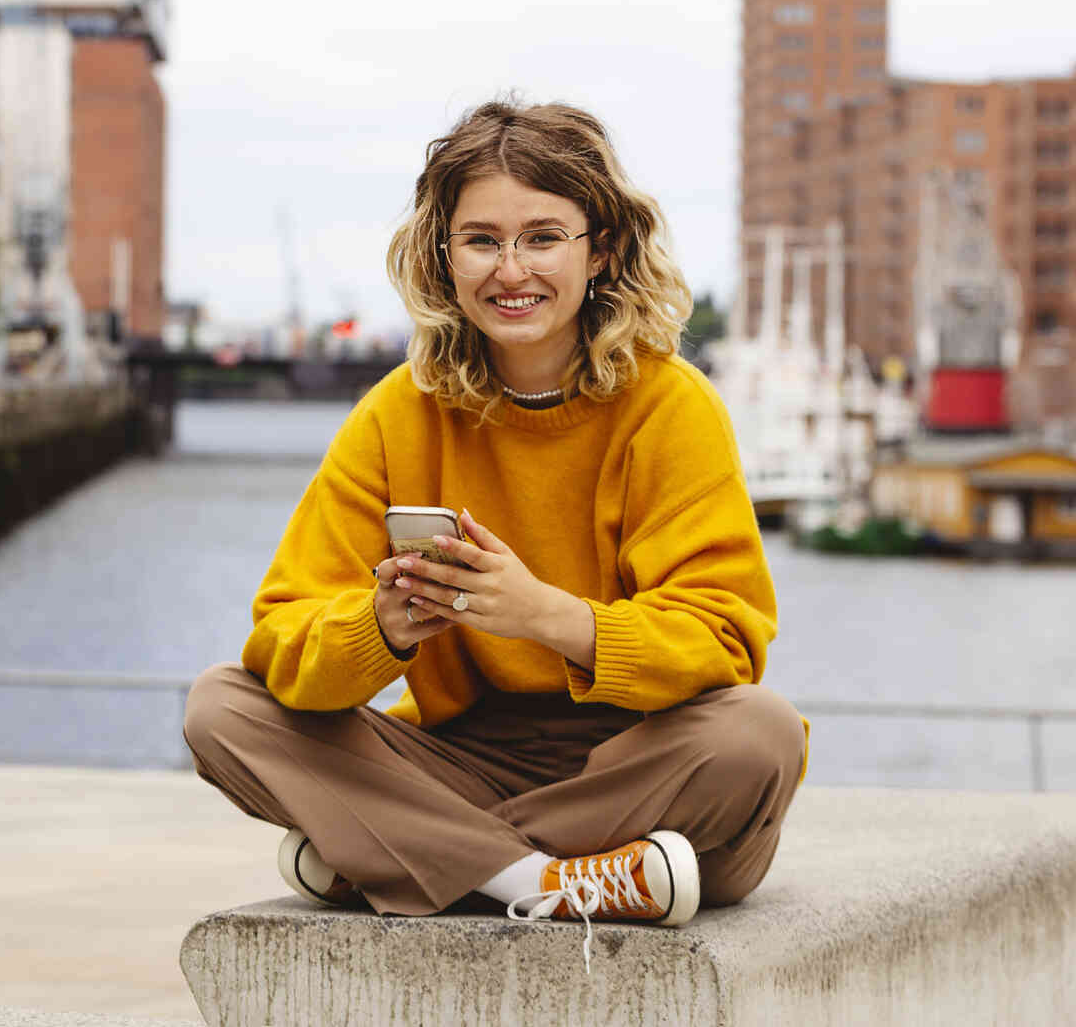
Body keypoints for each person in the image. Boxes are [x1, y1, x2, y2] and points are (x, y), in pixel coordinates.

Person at [183, 99, 805, 954]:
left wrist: (542, 614)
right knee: (221, 706)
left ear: (603, 250)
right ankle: (540, 883)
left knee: (756, 734)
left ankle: (396, 858)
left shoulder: (672, 407)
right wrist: (381, 629)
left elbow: (726, 639)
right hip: (462, 761)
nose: (510, 270)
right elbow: (283, 634)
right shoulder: (396, 413)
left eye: (542, 237)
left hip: (640, 761)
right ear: (445, 257)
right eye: (481, 240)